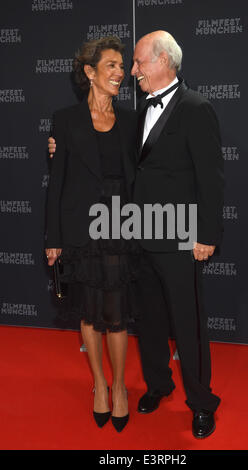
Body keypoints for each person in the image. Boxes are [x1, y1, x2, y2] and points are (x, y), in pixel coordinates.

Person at [48, 30, 224, 439]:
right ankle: (159, 385)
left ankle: (201, 403)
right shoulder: (137, 112)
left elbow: (211, 180)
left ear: (164, 61)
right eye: (129, 65)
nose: (133, 72)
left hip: (178, 234)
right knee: (149, 318)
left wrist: (206, 234)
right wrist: (59, 147)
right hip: (134, 233)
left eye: (140, 63)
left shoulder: (197, 108)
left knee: (188, 324)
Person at [45, 36, 139, 433]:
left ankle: (119, 388)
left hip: (120, 226)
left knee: (115, 315)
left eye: (121, 67)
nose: (120, 74)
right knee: (89, 312)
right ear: (90, 73)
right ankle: (99, 384)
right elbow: (58, 182)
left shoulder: (133, 120)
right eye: (112, 67)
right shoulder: (65, 121)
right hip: (80, 228)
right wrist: (53, 238)